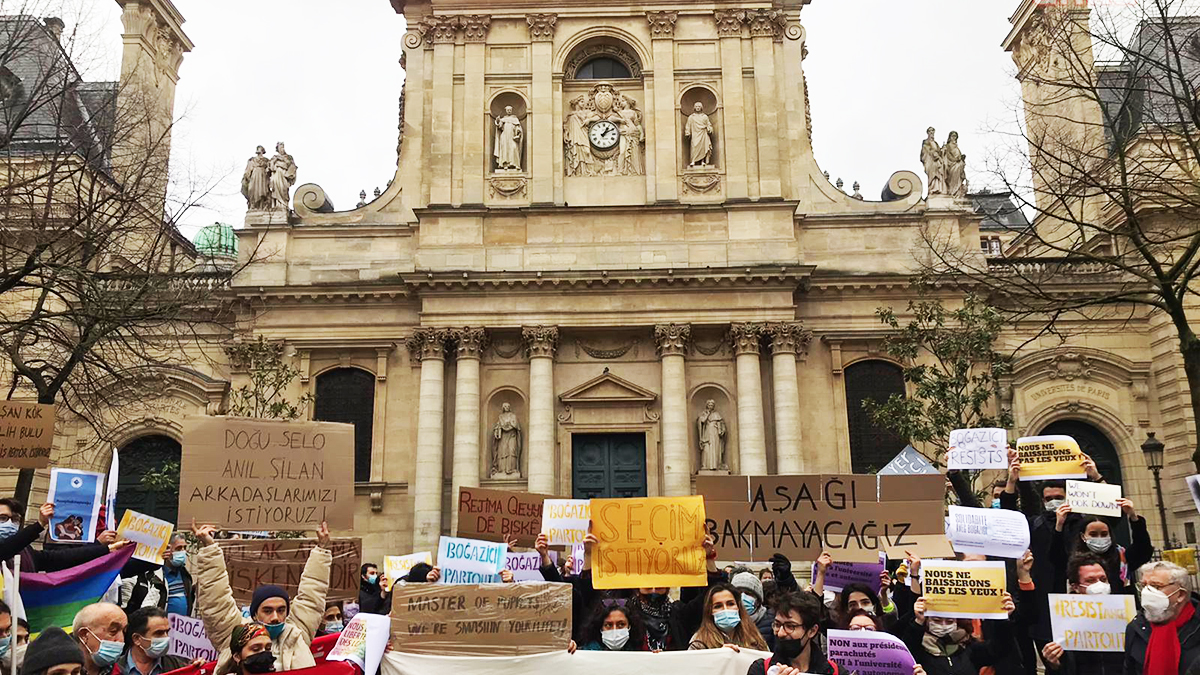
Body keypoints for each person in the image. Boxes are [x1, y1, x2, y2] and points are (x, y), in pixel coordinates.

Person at [192, 521, 332, 673]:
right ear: (254, 614)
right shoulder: (237, 634)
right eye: (267, 611)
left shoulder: (297, 634)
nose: (275, 617)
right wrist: (209, 548)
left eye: (281, 610)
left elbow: (312, 594)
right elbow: (215, 600)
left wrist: (322, 549)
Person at [1050, 498, 1151, 596]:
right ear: (1083, 536)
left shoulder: (1122, 556)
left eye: (1104, 534)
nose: (1099, 537)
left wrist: (1133, 517)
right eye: (1093, 534)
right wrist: (1059, 526)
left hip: (1121, 606)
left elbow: (1143, 549)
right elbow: (1056, 556)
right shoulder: (1073, 559)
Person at [901, 592, 1018, 675]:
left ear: (957, 622)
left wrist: (1003, 619)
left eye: (949, 621)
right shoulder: (918, 650)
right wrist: (918, 621)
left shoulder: (969, 649)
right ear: (927, 622)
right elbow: (906, 651)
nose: (943, 625)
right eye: (936, 620)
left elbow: (1000, 648)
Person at [1040, 554, 1122, 674]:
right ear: (1075, 587)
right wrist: (1054, 665)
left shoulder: (1123, 615)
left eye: (1103, 579)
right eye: (1090, 580)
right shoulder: (1061, 623)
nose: (1099, 585)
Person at [0, 499, 121, 572]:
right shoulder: (10, 548)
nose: (10, 523)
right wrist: (40, 524)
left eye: (15, 519)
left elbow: (61, 558)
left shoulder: (26, 552)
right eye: (3, 518)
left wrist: (103, 547)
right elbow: (6, 550)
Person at [1123, 560, 1200, 674]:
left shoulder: (1196, 626)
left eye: (1156, 586)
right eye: (1144, 586)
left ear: (1180, 595)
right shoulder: (1136, 627)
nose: (1146, 592)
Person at [746, 590, 839, 675]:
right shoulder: (761, 670)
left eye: (790, 626)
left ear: (812, 631)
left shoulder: (835, 672)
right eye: (777, 625)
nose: (781, 633)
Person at [119, 533, 193, 614]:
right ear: (167, 549)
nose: (183, 552)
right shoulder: (151, 575)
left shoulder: (185, 575)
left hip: (181, 621)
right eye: (178, 548)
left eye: (184, 548)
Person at [689, 583, 769, 651]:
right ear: (710, 612)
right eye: (718, 606)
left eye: (730, 604)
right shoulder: (699, 643)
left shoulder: (754, 637)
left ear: (738, 607)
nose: (725, 609)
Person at [123, 607, 189, 675]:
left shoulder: (178, 666)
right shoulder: (117, 668)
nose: (166, 637)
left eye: (167, 632)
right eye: (159, 633)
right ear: (137, 639)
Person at [72, 602, 128, 675]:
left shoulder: (121, 672)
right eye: (113, 631)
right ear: (84, 635)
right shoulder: (62, 669)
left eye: (124, 631)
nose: (121, 640)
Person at [732, 572, 776, 649]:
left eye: (748, 593)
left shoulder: (772, 621)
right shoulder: (728, 623)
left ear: (758, 599)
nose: (743, 597)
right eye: (738, 593)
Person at [579, 603, 648, 651]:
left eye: (621, 624)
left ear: (629, 626)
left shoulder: (639, 651)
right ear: (600, 628)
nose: (614, 630)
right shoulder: (586, 652)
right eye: (608, 625)